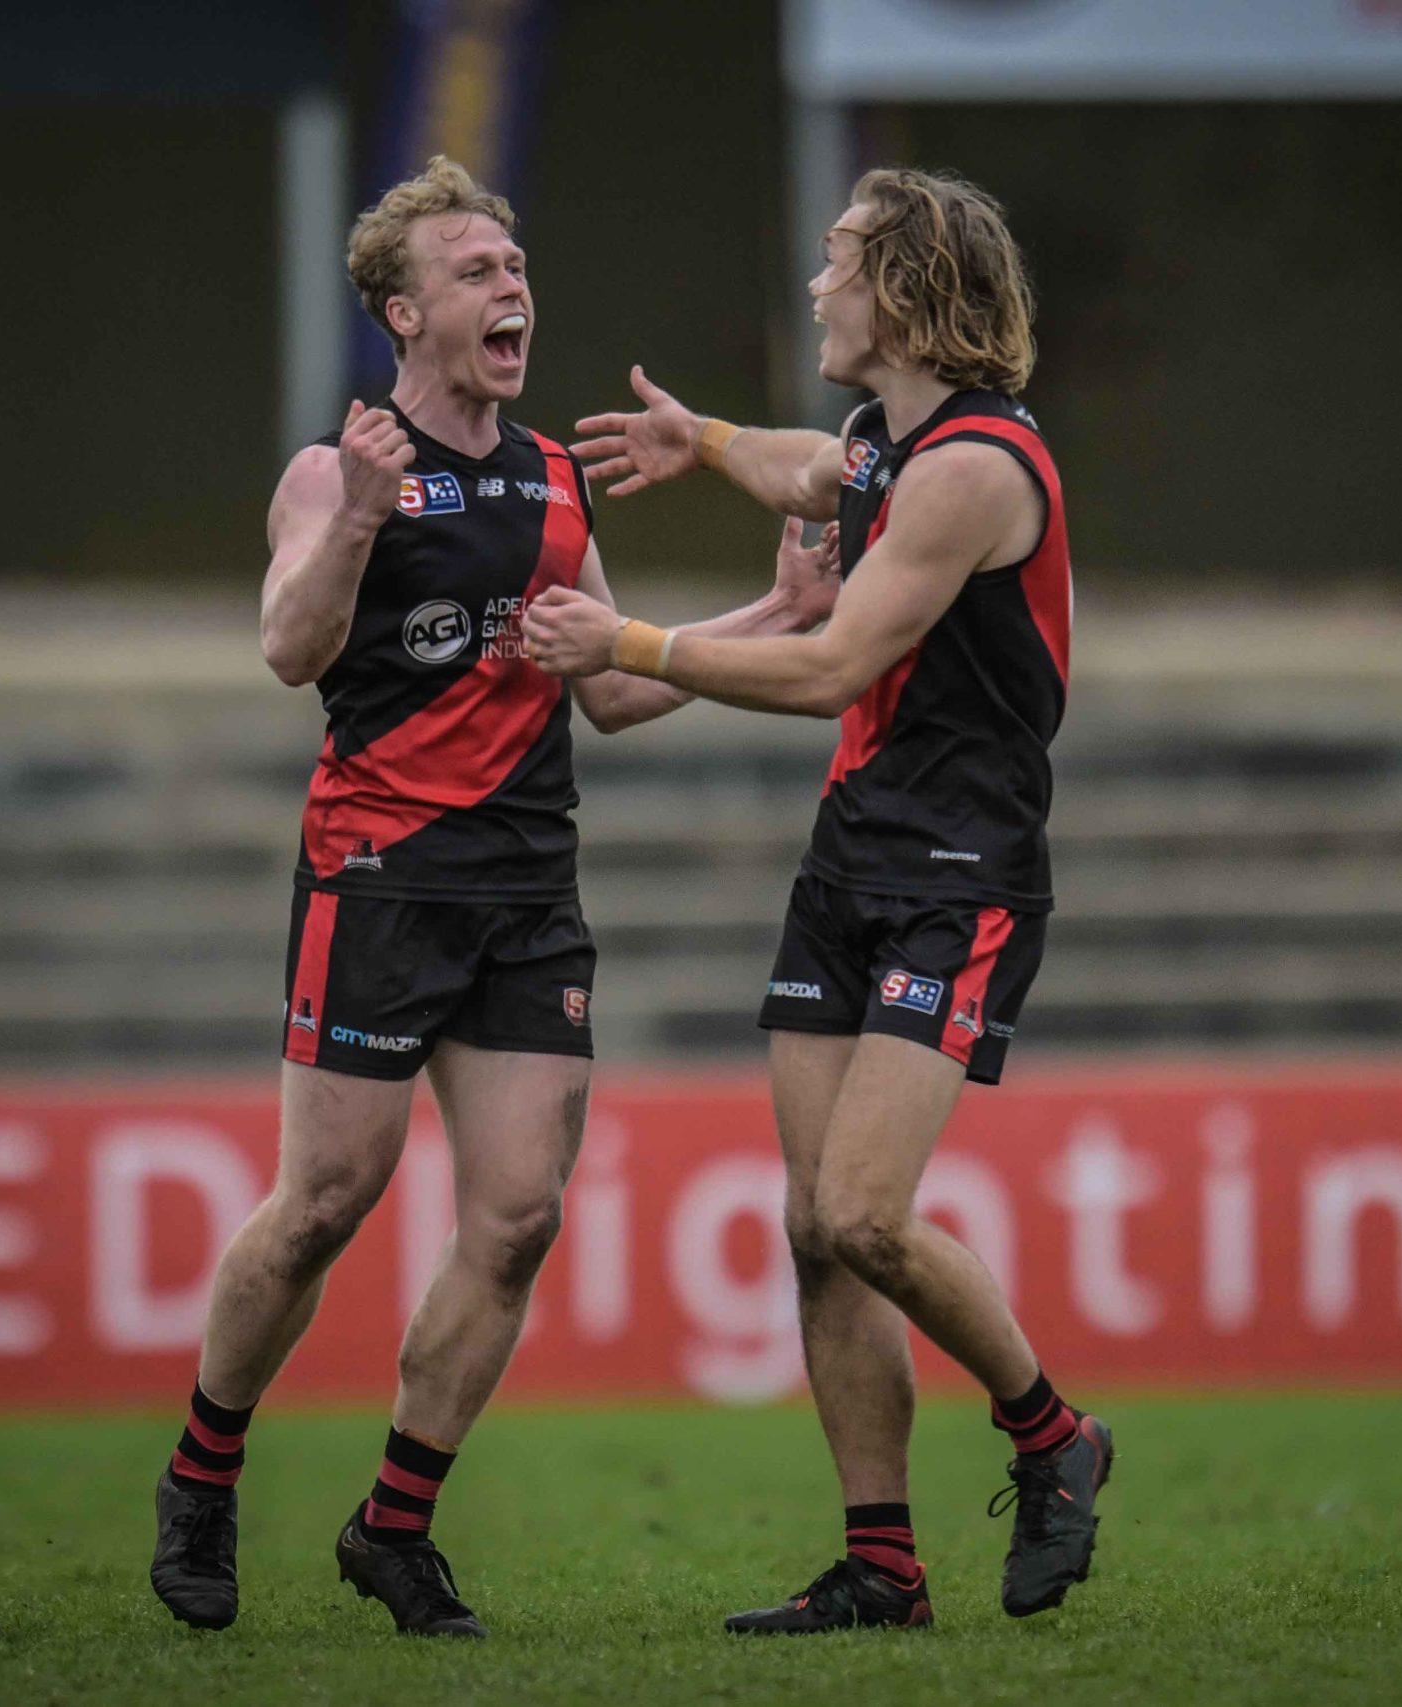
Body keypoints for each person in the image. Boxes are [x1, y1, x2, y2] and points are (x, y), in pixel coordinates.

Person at [147, 155, 839, 1640]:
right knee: (326, 1203)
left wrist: (772, 616)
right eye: (474, 272)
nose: (509, 288)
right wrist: (358, 519)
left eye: (514, 269)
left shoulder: (550, 481)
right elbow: (285, 650)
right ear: (403, 311)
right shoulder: (339, 469)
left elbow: (607, 693)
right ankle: (204, 1470)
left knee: (517, 1220)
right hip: (379, 875)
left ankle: (394, 1526)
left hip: (529, 888)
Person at [525, 166, 1108, 1634]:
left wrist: (634, 639)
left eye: (839, 259)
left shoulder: (974, 468)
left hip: (957, 879)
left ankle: (1053, 1436)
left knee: (863, 1213)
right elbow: (811, 470)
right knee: (809, 1226)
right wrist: (704, 439)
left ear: (906, 287)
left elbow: (832, 665)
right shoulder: (884, 440)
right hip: (852, 863)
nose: (815, 282)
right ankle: (884, 1567)